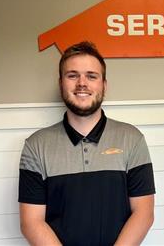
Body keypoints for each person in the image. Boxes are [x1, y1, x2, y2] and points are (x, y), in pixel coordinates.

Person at [18, 41, 155, 246]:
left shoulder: (132, 139)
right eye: (72, 75)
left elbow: (143, 213)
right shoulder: (36, 146)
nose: (82, 83)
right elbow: (31, 222)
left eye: (91, 76)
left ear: (104, 85)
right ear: (61, 84)